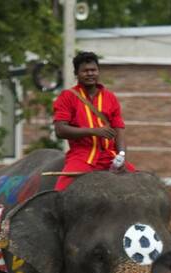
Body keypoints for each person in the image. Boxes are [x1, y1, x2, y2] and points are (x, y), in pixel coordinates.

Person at [52, 51, 136, 192]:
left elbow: (119, 130)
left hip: (110, 157)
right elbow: (60, 130)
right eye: (85, 71)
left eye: (93, 70)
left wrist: (121, 156)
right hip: (82, 156)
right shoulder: (67, 96)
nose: (90, 74)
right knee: (60, 192)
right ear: (76, 74)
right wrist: (94, 131)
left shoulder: (110, 97)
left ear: (98, 72)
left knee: (138, 187)